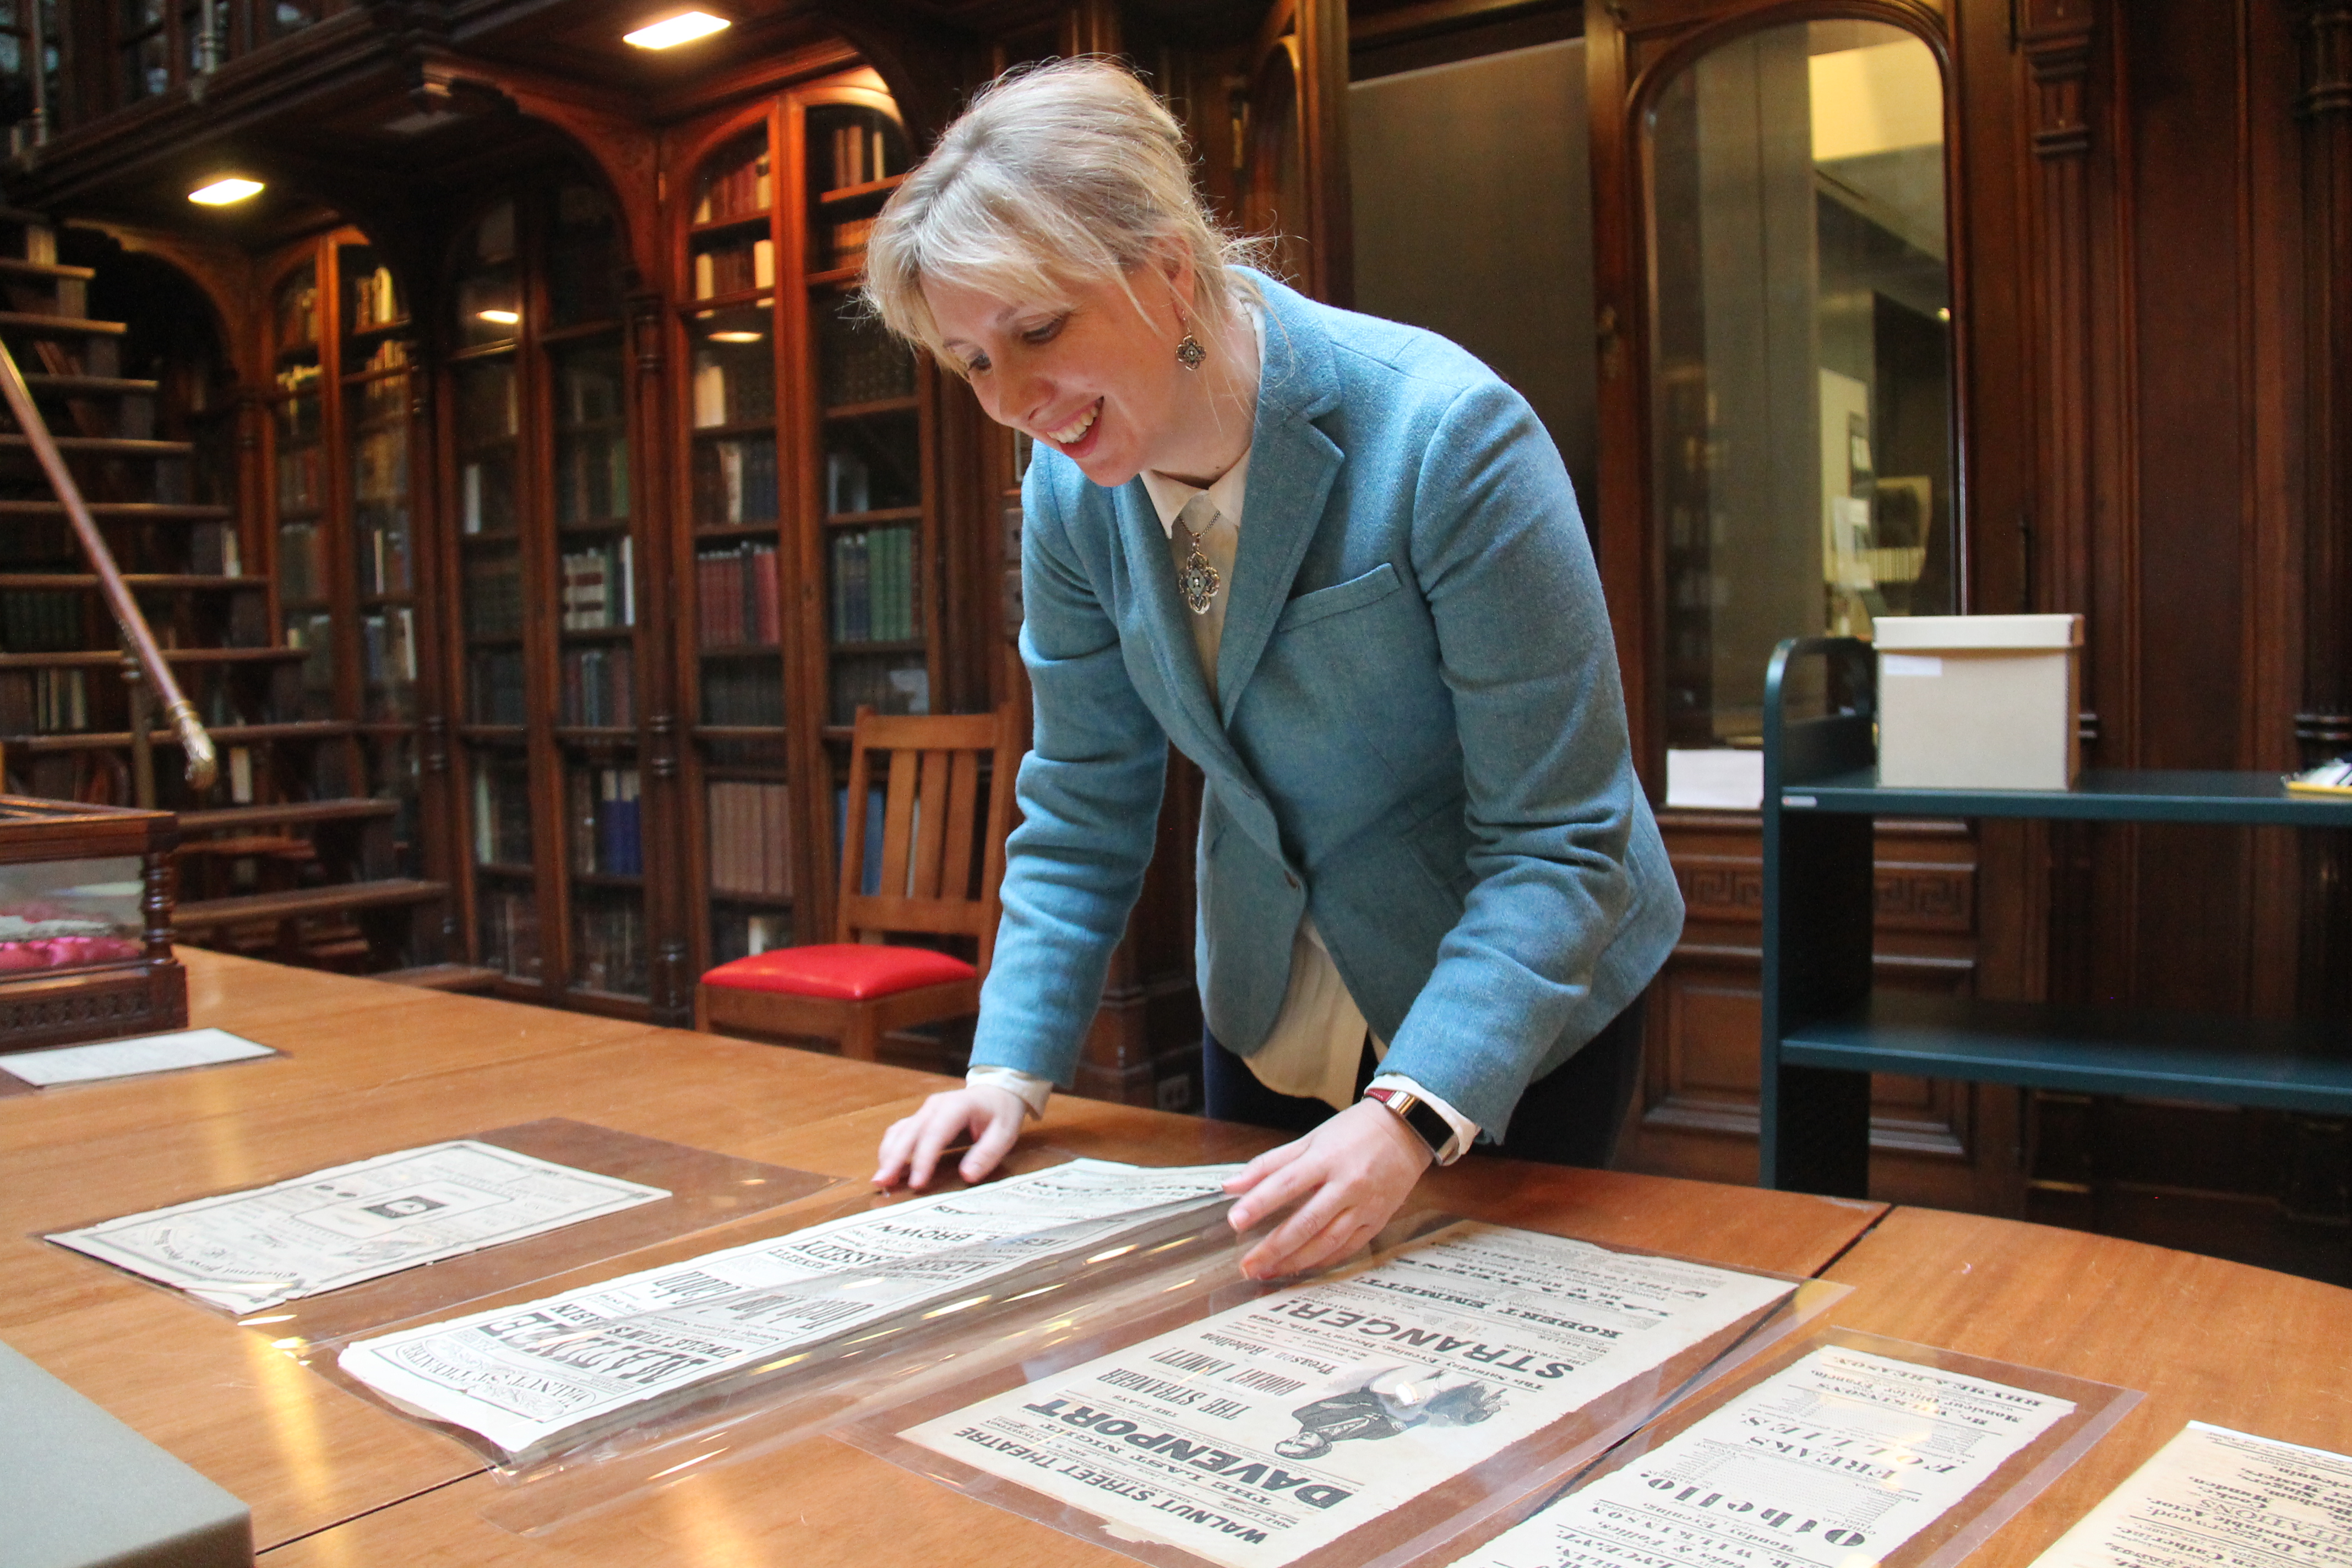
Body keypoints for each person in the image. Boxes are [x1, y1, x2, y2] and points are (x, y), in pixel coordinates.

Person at [864, 59, 1682, 1281]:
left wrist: (1413, 1111)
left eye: (1039, 330)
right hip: (1263, 1004)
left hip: (1504, 1014)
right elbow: (1083, 796)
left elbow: (1564, 836)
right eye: (974, 361)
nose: (1018, 401)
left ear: (1168, 265)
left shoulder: (1448, 437)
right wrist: (1007, 1066)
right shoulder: (1066, 494)